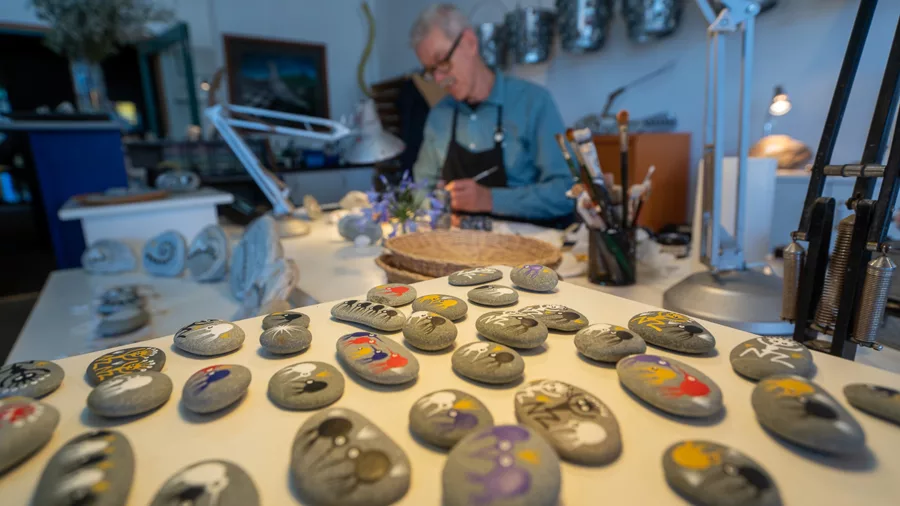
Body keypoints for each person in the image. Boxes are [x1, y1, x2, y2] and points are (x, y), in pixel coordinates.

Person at [410, 4, 573, 227]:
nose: (439, 79)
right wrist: (439, 209)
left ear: (470, 42)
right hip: (460, 243)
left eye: (443, 62)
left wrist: (489, 200)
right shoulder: (440, 116)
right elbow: (419, 191)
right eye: (431, 71)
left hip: (527, 243)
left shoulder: (533, 103)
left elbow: (566, 192)